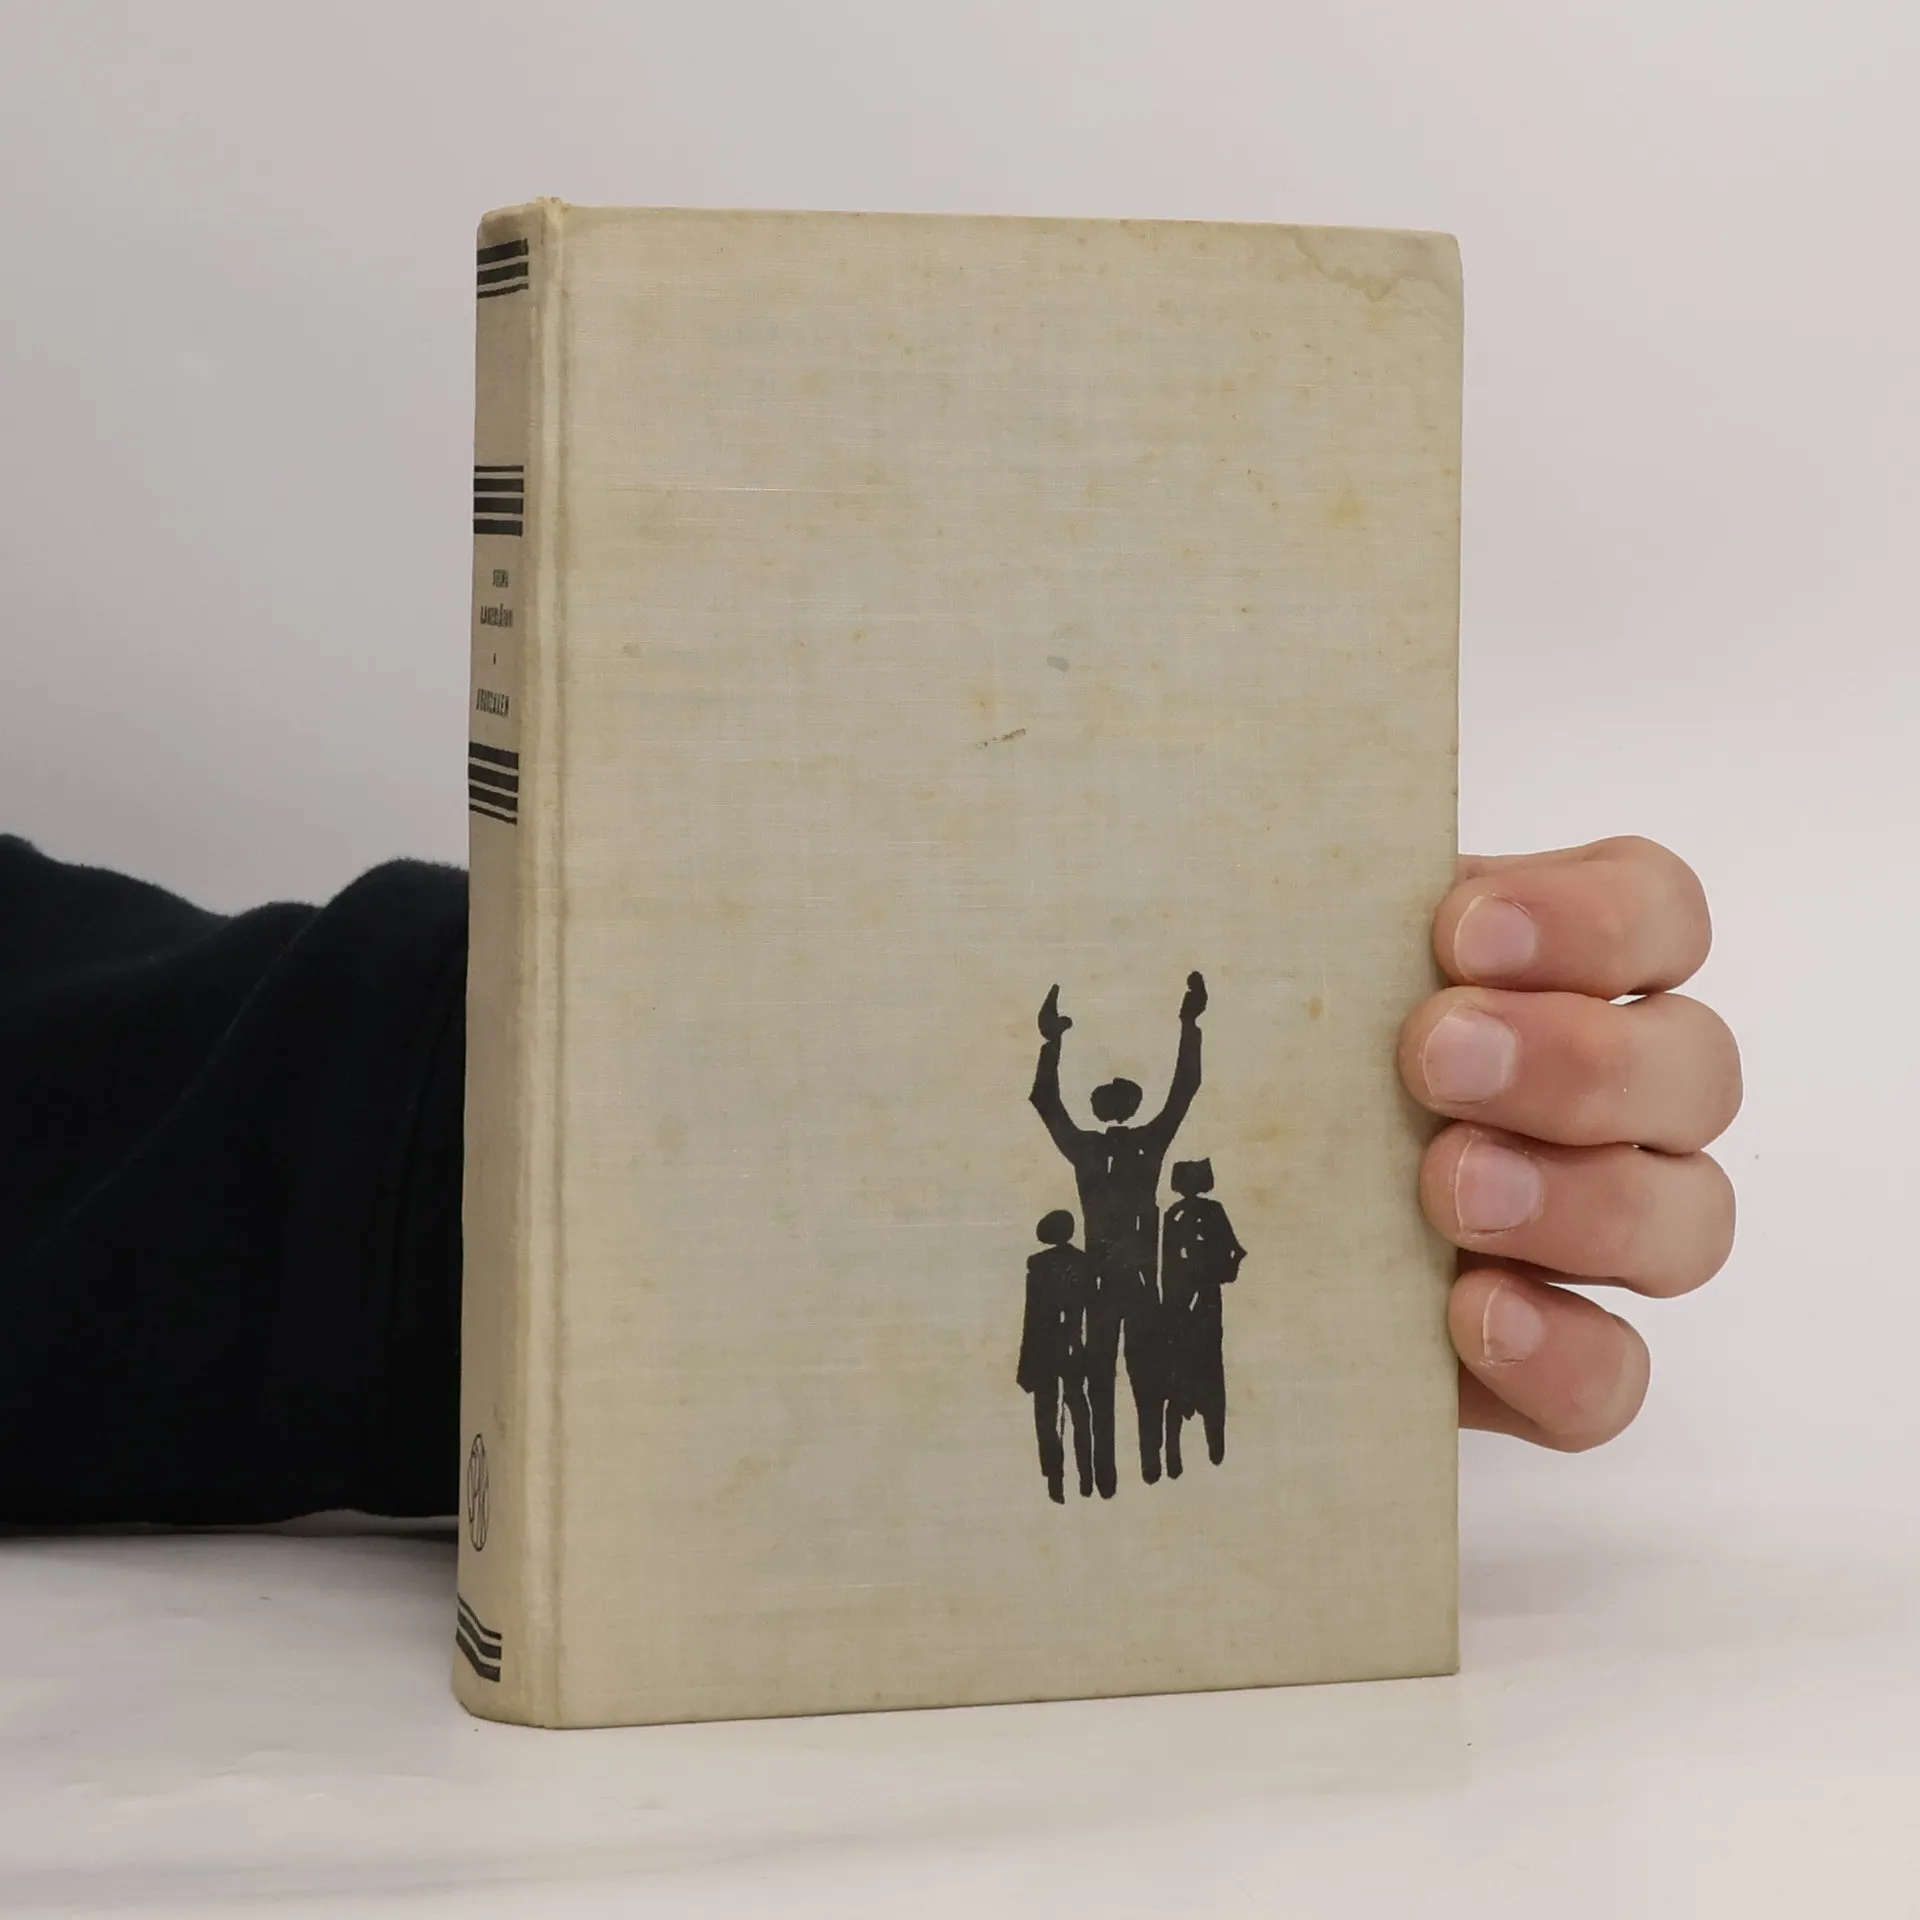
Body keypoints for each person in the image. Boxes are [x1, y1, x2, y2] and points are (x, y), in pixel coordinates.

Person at [0, 833, 1738, 1524]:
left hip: (1143, 1300)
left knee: (1156, 1420)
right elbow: (1090, 1103)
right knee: (1098, 1415)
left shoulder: (1132, 1154)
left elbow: (1158, 1097)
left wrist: (519, 1128)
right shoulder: (1103, 1150)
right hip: (1087, 1311)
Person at [1030, 973, 1207, 1490]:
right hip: (1114, 1285)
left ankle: (1135, 1469)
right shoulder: (1131, 1145)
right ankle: (1119, 1472)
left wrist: (1052, 1044)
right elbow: (1183, 1091)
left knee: (1127, 1377)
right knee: (1112, 1378)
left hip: (1121, 1284)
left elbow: (1046, 1101)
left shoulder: (1097, 1148)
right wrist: (1188, 1024)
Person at [1160, 1158, 1245, 1477]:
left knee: (1208, 1371)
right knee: (1178, 1376)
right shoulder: (1173, 1215)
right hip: (1179, 1304)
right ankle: (1175, 1455)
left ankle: (1215, 1447)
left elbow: (1234, 1251)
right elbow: (1167, 1263)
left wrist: (1216, 1273)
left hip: (1205, 1301)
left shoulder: (1212, 1212)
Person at [1015, 1210, 1096, 1503]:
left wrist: (1026, 1363)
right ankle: (1084, 1477)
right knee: (1077, 1409)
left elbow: (1032, 1317)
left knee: (1048, 1414)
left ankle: (1055, 1479)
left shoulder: (1038, 1264)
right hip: (1073, 1344)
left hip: (1046, 1347)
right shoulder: (1083, 1262)